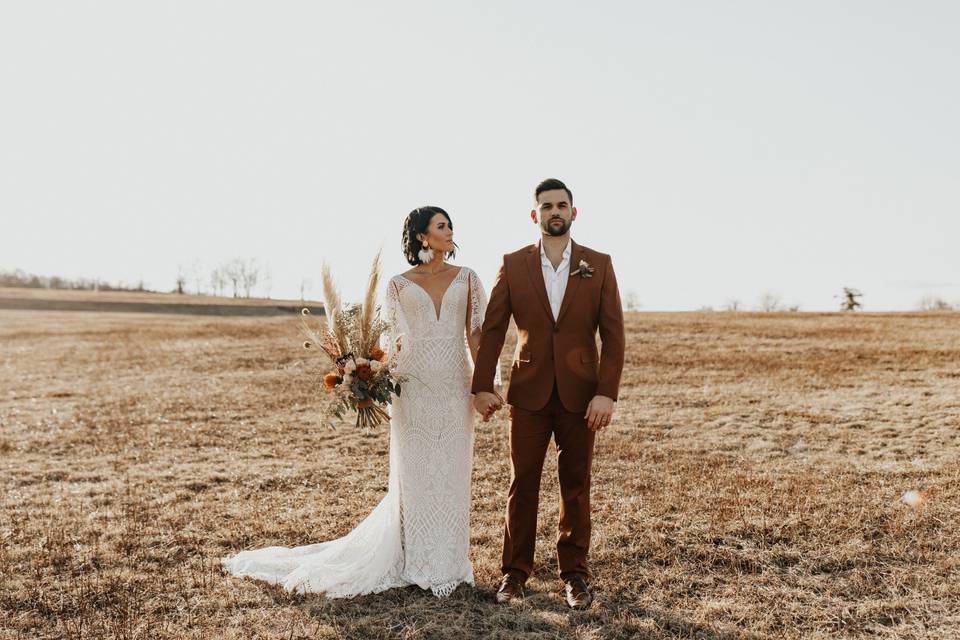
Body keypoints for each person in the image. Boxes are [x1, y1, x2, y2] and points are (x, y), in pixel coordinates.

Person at [223, 206, 491, 598]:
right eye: (441, 226)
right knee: (415, 475)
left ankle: (450, 562)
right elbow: (391, 344)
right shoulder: (399, 285)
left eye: (450, 225)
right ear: (421, 236)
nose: (450, 231)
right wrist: (369, 379)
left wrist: (485, 385)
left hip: (455, 384)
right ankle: (415, 560)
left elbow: (477, 334)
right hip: (412, 388)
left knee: (452, 470)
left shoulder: (468, 278)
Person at [472, 178, 625, 609]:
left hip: (582, 396)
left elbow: (614, 337)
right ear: (534, 214)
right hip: (528, 393)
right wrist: (482, 385)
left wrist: (606, 394)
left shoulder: (599, 263)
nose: (554, 212)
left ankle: (575, 576)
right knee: (522, 484)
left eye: (561, 205)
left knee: (576, 485)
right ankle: (514, 575)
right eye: (546, 206)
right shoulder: (513, 264)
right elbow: (495, 328)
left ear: (573, 213)